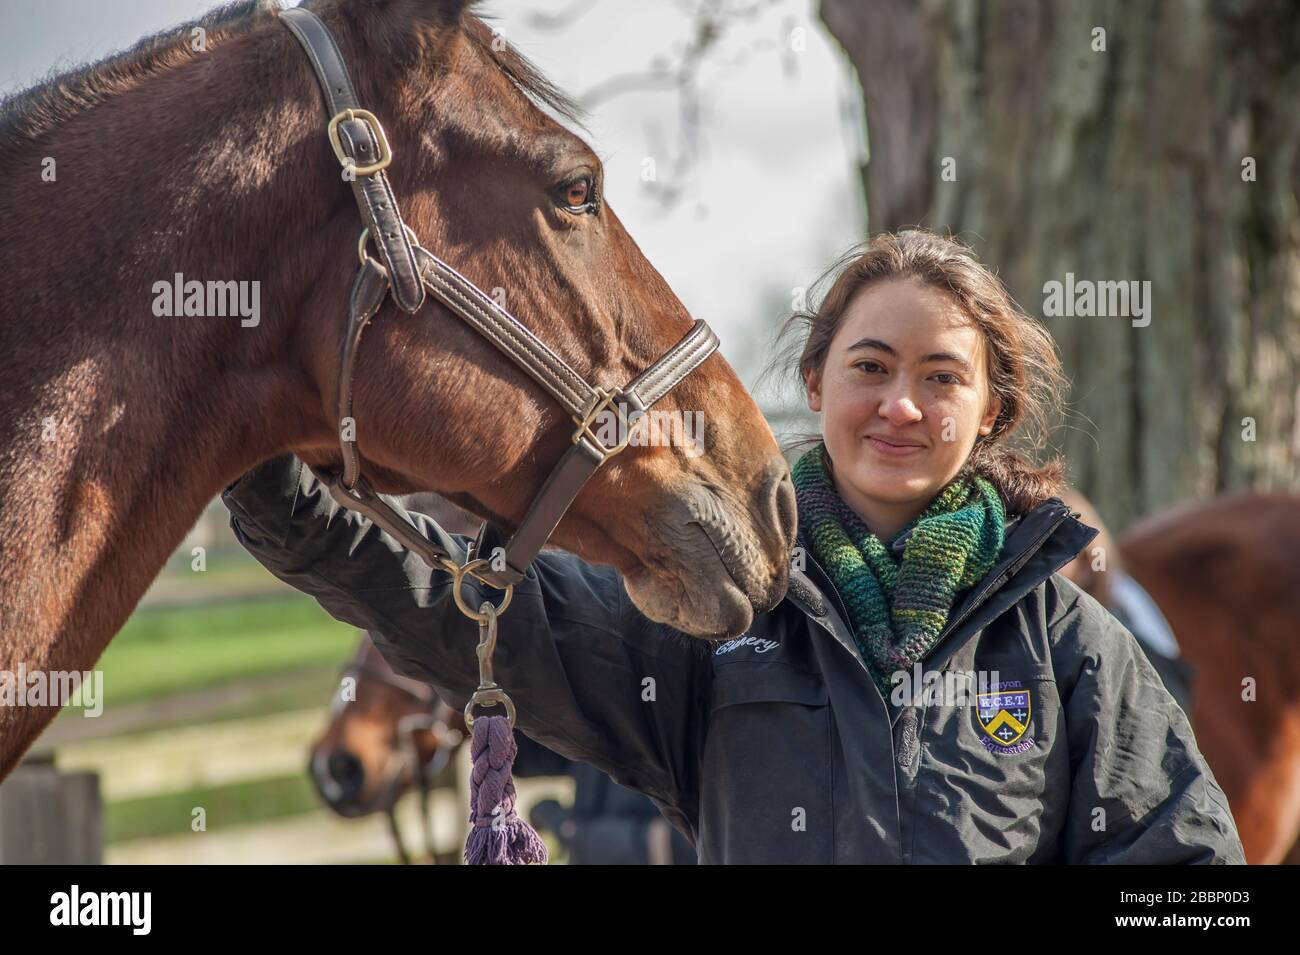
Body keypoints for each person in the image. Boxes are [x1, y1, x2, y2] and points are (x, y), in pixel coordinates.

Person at [223, 229, 1244, 864]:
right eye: (871, 365)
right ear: (815, 383)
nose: (900, 403)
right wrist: (254, 453)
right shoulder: (712, 618)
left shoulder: (1064, 643)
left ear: (991, 412)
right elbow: (447, 602)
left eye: (942, 377)